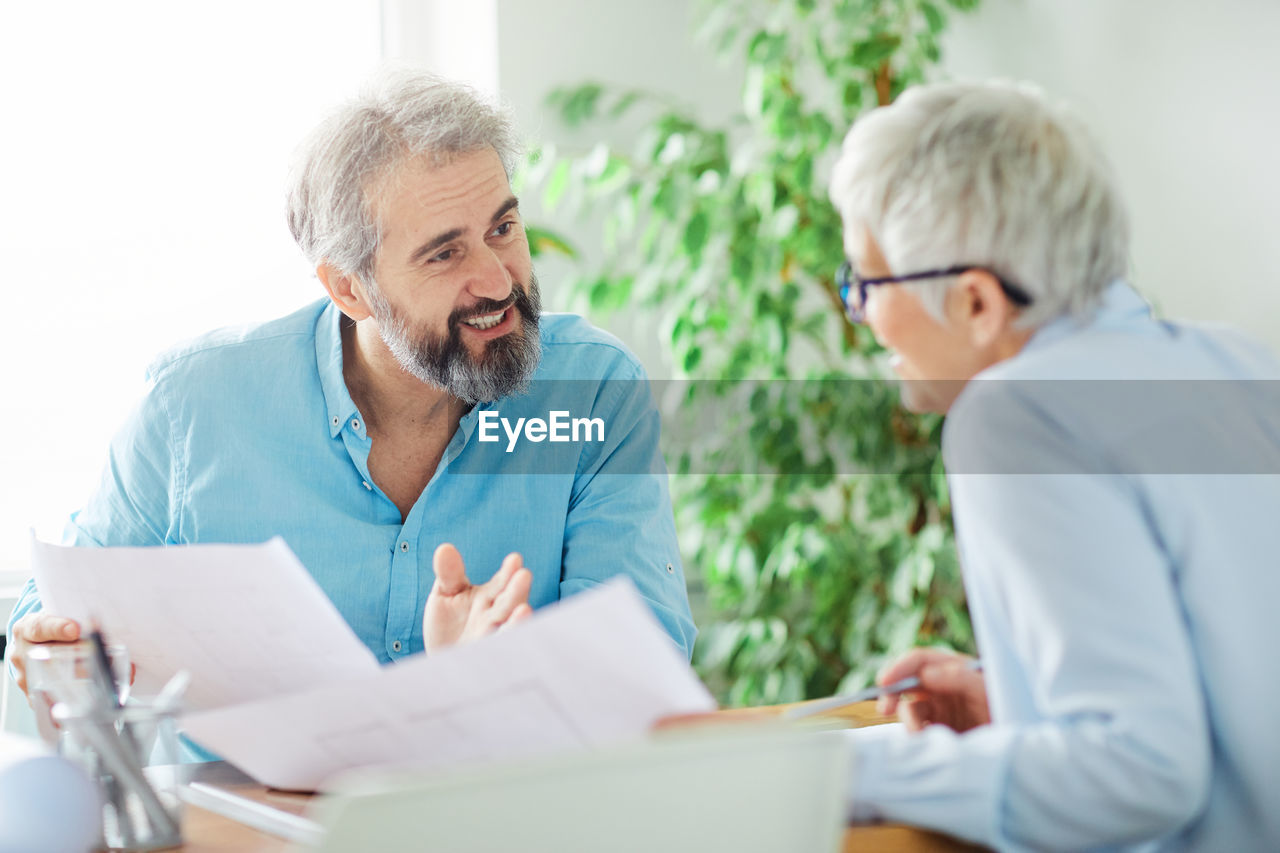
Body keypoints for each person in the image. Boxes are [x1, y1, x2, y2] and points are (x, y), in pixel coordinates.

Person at [7, 69, 696, 737]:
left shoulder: (594, 392)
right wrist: (52, 651)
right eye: (444, 255)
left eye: (502, 229)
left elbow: (640, 669)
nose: (496, 280)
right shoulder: (192, 411)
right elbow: (60, 618)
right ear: (349, 289)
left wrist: (479, 682)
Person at [825, 80, 1280, 850]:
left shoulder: (1013, 412)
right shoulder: (1229, 362)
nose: (861, 312)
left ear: (977, 303)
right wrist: (1020, 704)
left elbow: (1142, 773)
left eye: (865, 282)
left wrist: (849, 771)